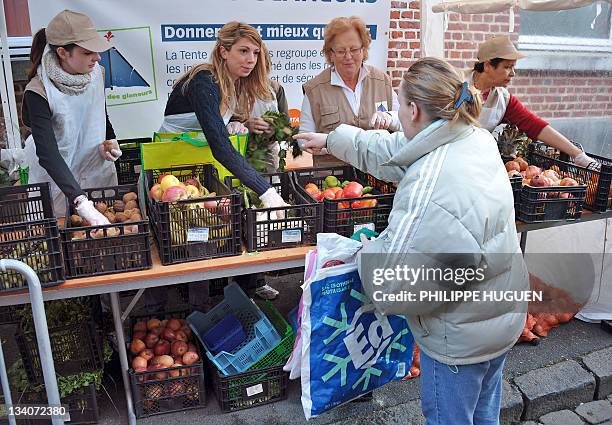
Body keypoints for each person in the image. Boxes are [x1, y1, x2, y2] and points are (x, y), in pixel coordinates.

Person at [295, 57, 529, 425]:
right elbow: (396, 151)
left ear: (414, 109)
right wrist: (333, 139)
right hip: (497, 315)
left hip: (459, 339)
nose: (397, 114)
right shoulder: (471, 136)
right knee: (484, 416)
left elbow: (393, 281)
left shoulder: (430, 183)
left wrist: (364, 250)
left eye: (398, 103)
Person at [159, 21, 287, 209]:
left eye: (256, 52)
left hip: (198, 171)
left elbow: (211, 123)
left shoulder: (234, 83)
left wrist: (235, 123)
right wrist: (266, 191)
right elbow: (219, 145)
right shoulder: (203, 80)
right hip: (168, 170)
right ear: (223, 51)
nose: (251, 59)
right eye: (243, 51)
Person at [18, 10, 120, 222]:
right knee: (61, 233)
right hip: (57, 179)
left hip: (95, 170)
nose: (97, 57)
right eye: (87, 52)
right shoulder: (38, 91)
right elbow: (47, 153)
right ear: (63, 53)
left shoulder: (97, 73)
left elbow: (100, 112)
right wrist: (81, 203)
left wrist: (109, 140)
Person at [299, 16, 400, 167]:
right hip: (333, 181)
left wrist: (389, 117)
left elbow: (405, 123)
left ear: (363, 50)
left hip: (378, 175)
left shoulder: (382, 81)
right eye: (341, 51)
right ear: (330, 54)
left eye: (354, 49)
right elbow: (304, 140)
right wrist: (333, 145)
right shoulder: (315, 89)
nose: (348, 57)